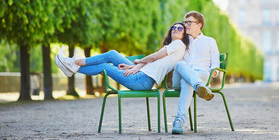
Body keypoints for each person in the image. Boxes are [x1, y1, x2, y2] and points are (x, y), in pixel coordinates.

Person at [55, 22, 189, 91]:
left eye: (179, 29)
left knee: (104, 66)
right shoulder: (173, 46)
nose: (175, 30)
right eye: (173, 28)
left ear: (184, 35)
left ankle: (75, 63)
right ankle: (73, 65)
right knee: (112, 54)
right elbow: (153, 60)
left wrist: (137, 62)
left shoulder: (178, 44)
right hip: (140, 75)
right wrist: (135, 66)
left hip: (141, 81)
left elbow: (153, 58)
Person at [171, 11, 220, 134]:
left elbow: (215, 66)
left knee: (187, 81)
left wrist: (213, 73)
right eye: (185, 22)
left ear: (199, 25)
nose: (186, 25)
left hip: (200, 74)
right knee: (181, 64)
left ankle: (179, 121)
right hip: (180, 75)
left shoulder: (210, 41)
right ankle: (199, 86)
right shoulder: (181, 40)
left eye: (189, 22)